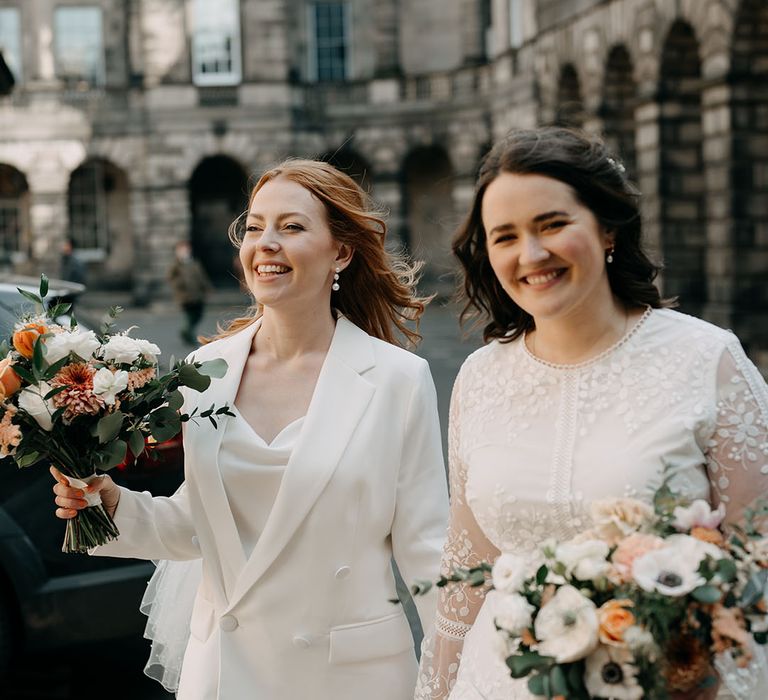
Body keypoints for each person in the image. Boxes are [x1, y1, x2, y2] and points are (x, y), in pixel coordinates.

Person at [51, 159, 449, 700]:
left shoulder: (399, 380)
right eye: (255, 226)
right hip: (224, 674)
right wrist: (112, 504)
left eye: (292, 227)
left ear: (342, 252)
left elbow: (428, 552)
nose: (266, 243)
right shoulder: (205, 371)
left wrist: (456, 677)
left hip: (351, 678)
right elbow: (202, 525)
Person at [415, 127, 768, 699]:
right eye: (504, 236)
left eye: (552, 225)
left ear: (606, 227)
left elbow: (759, 560)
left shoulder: (706, 360)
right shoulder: (478, 378)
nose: (531, 255)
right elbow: (466, 570)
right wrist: (438, 687)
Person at [168, 240, 213, 344]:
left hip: (197, 294)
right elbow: (170, 277)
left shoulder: (194, 262)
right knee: (189, 315)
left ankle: (186, 331)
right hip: (185, 296)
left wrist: (208, 288)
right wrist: (180, 284)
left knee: (198, 314)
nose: (185, 252)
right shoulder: (176, 264)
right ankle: (188, 333)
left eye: (186, 249)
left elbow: (202, 276)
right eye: (182, 250)